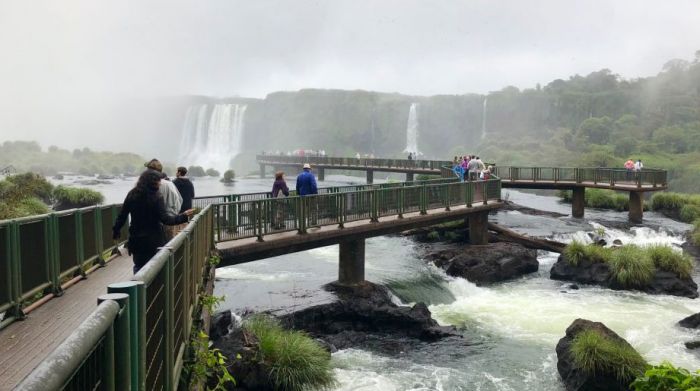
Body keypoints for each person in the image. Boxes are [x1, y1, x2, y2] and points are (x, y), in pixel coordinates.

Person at [112, 170, 193, 273]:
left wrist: (116, 230)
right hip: (154, 240)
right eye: (158, 181)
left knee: (139, 267)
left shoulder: (132, 194)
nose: (160, 184)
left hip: (136, 240)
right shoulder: (156, 197)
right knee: (154, 270)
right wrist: (184, 216)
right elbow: (166, 219)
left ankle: (138, 286)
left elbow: (122, 216)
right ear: (153, 182)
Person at [145, 159, 182, 239]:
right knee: (168, 247)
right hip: (169, 223)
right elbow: (179, 202)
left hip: (151, 225)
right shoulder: (169, 184)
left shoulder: (143, 185)